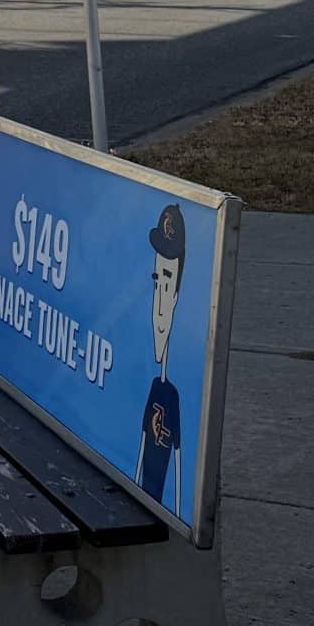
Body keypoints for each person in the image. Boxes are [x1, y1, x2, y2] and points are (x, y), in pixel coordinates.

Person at [137, 203, 186, 511]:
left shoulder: (172, 397)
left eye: (168, 283)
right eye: (157, 281)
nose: (158, 304)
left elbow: (181, 482)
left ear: (178, 295)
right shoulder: (154, 388)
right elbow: (140, 457)